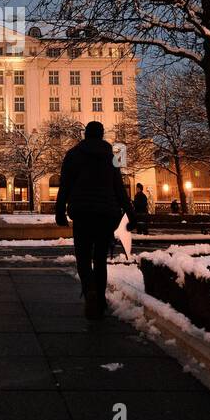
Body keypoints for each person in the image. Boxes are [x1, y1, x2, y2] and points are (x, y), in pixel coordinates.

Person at [55, 121, 133, 319]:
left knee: (82, 256)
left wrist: (60, 211)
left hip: (82, 212)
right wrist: (132, 213)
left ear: (85, 134)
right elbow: (119, 187)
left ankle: (89, 290)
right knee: (99, 258)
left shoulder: (73, 154)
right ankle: (100, 299)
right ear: (102, 134)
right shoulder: (111, 155)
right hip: (107, 214)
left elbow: (64, 185)